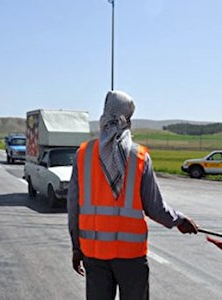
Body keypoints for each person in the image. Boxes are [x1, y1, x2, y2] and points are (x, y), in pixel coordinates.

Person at [67, 90, 198, 300]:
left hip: (95, 254)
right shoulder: (139, 156)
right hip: (131, 257)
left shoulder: (84, 154)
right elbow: (154, 207)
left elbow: (73, 206)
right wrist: (179, 220)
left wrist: (76, 247)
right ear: (127, 120)